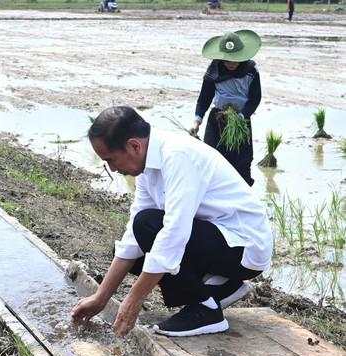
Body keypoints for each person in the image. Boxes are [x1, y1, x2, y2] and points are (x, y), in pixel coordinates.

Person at [71, 106, 273, 337]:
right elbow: (132, 240)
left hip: (244, 246)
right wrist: (101, 297)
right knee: (138, 243)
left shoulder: (177, 156)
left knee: (148, 226)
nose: (113, 168)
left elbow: (174, 233)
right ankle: (223, 287)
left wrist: (133, 300)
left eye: (111, 159)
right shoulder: (147, 164)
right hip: (217, 239)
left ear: (134, 146)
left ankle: (206, 310)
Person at [189, 30, 262, 186]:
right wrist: (197, 120)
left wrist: (242, 116)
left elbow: (255, 99)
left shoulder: (251, 71)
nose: (231, 63)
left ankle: (242, 199)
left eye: (235, 59)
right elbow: (204, 98)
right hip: (218, 118)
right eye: (227, 60)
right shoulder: (214, 70)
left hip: (241, 121)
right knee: (212, 159)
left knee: (242, 162)